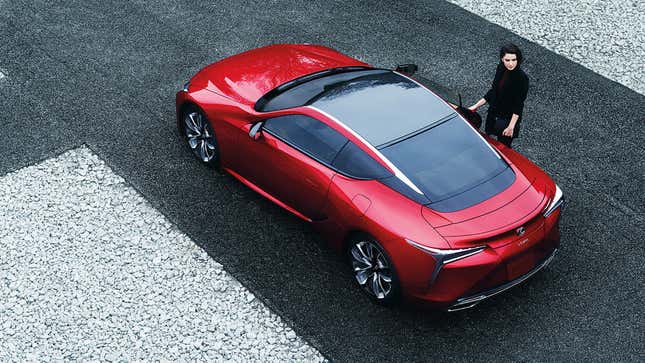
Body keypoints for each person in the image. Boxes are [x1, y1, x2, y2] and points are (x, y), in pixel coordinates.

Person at [469, 43, 529, 148]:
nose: (511, 64)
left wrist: (511, 126)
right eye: (507, 60)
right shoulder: (501, 68)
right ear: (502, 59)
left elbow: (519, 104)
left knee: (503, 147)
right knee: (490, 142)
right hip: (495, 112)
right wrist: (476, 105)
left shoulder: (521, 78)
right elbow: (494, 90)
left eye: (514, 60)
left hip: (507, 119)